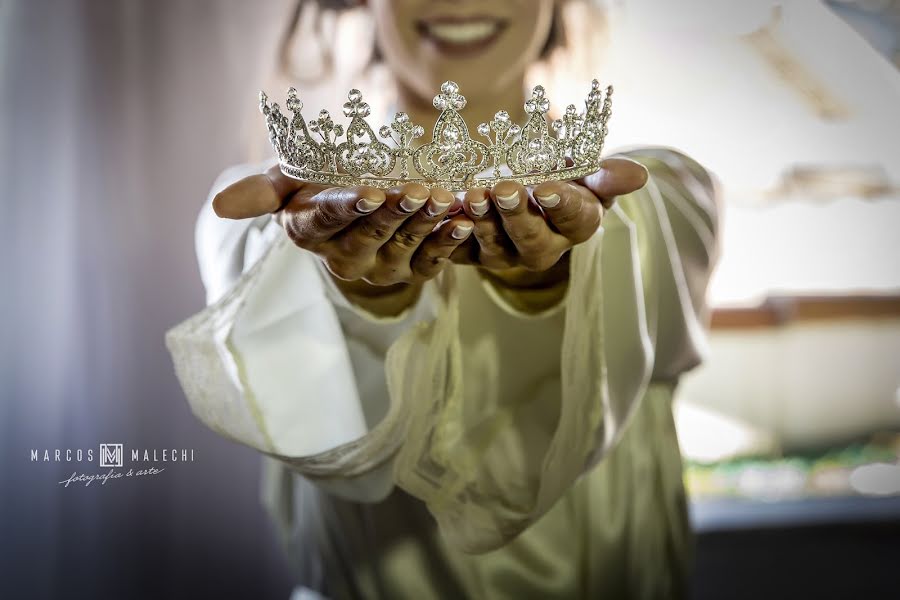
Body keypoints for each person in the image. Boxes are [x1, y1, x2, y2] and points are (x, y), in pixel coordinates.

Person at [167, 0, 719, 597]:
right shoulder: (262, 223)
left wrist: (544, 280)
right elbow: (306, 408)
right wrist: (362, 288)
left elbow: (640, 286)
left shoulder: (665, 202)